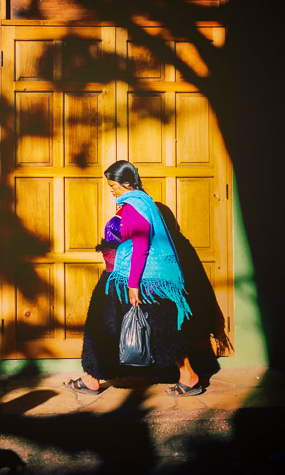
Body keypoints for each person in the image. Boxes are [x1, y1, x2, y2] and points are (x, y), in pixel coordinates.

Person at [64, 160, 202, 396]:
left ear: (127, 183)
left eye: (113, 185)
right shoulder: (139, 203)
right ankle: (92, 376)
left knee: (154, 325)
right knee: (155, 324)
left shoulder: (135, 206)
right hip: (133, 276)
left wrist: (133, 284)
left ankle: (188, 375)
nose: (111, 189)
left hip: (139, 279)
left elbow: (141, 246)